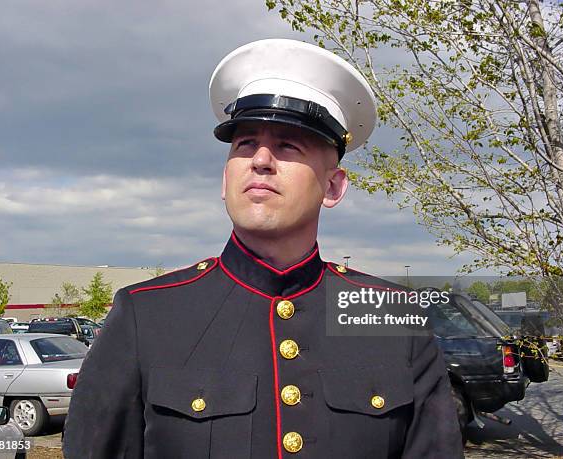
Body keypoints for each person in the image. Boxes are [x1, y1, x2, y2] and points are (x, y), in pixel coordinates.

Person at [63, 39, 463, 458]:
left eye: (289, 144)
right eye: (245, 144)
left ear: (333, 185)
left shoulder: (392, 319)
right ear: (224, 180)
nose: (261, 159)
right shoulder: (144, 316)